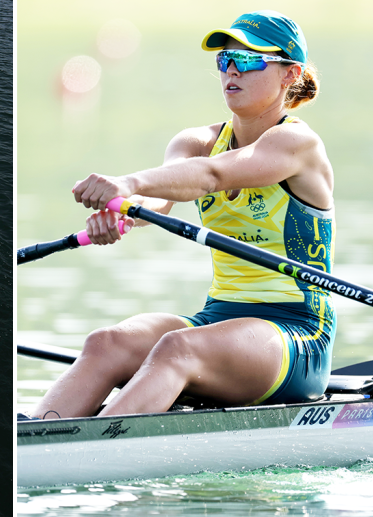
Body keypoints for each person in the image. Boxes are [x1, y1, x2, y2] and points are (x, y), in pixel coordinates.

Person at [27, 10, 334, 420]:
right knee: (106, 342)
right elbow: (158, 205)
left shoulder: (297, 144)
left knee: (176, 347)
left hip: (296, 333)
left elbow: (211, 177)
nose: (231, 72)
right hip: (218, 319)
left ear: (288, 73)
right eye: (224, 61)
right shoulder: (194, 142)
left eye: (247, 60)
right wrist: (122, 215)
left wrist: (129, 183)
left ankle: (93, 445)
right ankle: (35, 437)